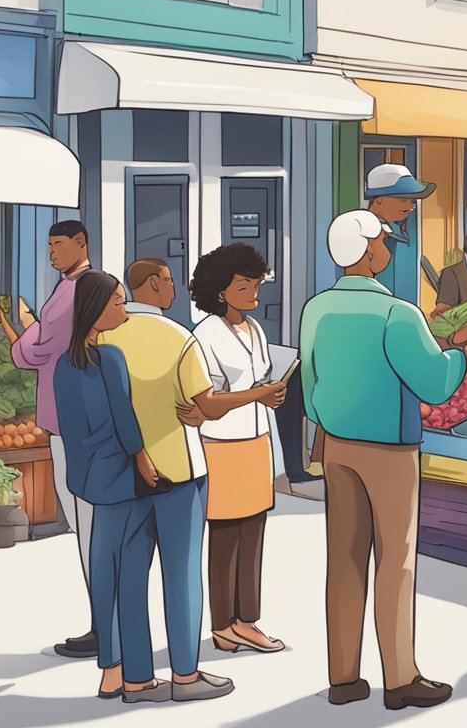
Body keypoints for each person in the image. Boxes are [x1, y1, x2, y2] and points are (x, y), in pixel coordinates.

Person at [300, 210, 467, 709]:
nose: (389, 246)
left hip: (336, 443)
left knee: (343, 559)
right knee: (395, 560)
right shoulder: (397, 313)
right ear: (368, 252)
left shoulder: (317, 309)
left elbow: (309, 383)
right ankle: (400, 677)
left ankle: (343, 676)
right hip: (389, 447)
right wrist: (465, 357)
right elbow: (433, 382)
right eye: (384, 240)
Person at [99, 262, 278, 702]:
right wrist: (257, 394)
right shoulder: (178, 338)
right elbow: (207, 408)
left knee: (130, 577)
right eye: (168, 279)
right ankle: (184, 675)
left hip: (125, 474)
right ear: (156, 285)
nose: (173, 285)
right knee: (181, 574)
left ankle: (137, 679)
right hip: (179, 470)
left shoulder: (103, 339)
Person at [53, 271, 169, 703]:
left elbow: (73, 429)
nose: (124, 309)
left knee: (104, 571)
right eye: (118, 302)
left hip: (92, 480)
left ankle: (111, 670)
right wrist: (143, 459)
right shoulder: (112, 357)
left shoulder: (65, 365)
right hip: (125, 477)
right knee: (132, 576)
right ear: (95, 308)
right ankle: (136, 677)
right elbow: (125, 417)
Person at [0, 220, 95, 659]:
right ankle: (107, 622)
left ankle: (104, 626)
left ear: (79, 243)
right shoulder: (81, 286)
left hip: (68, 419)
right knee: (89, 524)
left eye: (57, 245)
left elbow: (34, 353)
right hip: (77, 415)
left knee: (86, 524)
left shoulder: (72, 292)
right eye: (48, 245)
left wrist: (9, 324)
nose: (51, 252)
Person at [187, 246, 285, 655]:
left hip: (257, 441)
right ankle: (223, 625)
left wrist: (270, 394)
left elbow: (260, 380)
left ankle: (247, 620)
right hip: (223, 445)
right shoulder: (205, 335)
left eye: (256, 284)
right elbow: (207, 401)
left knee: (254, 534)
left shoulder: (255, 329)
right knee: (226, 535)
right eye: (243, 286)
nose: (253, 292)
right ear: (221, 291)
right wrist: (258, 393)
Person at [365, 164, 437, 297]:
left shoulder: (397, 229)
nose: (410, 206)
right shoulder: (361, 231)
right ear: (379, 198)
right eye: (403, 199)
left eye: (412, 200)